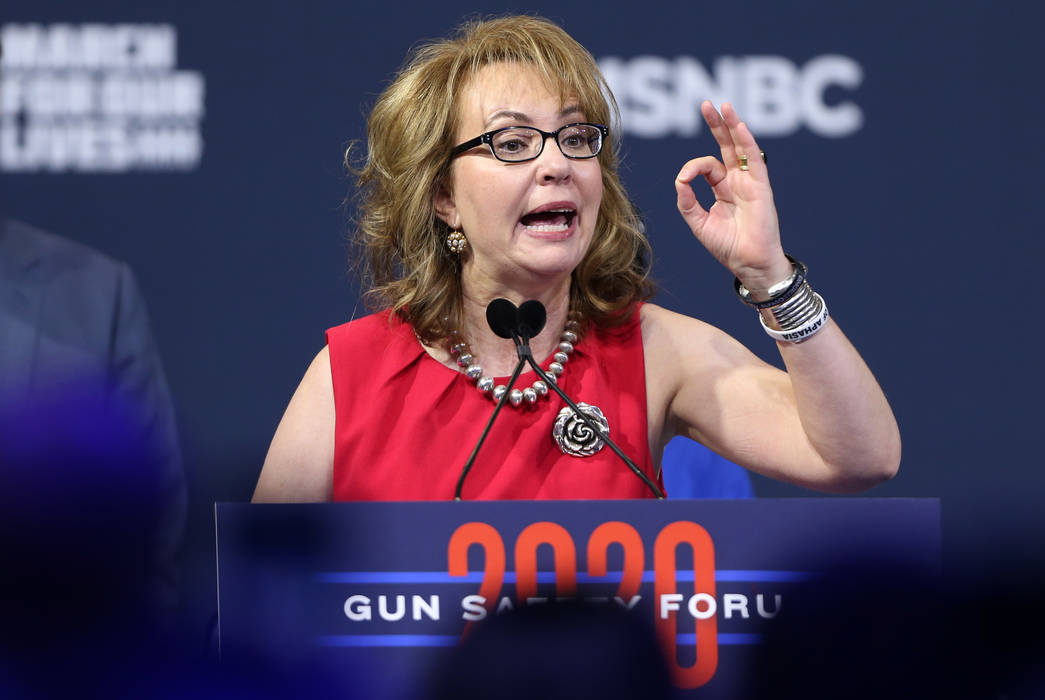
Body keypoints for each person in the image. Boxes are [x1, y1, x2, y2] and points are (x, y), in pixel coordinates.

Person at [252, 16, 900, 502]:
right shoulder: (352, 375)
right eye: (512, 142)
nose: (557, 164)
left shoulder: (653, 351)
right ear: (444, 196)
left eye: (574, 136)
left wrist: (770, 277)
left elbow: (858, 456)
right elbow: (254, 601)